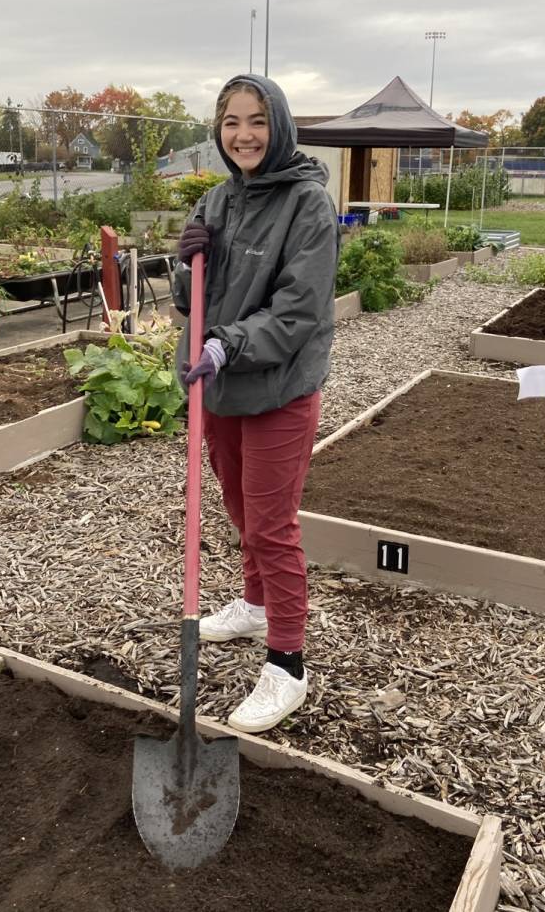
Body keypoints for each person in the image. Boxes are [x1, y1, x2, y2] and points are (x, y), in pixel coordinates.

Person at [173, 74, 339, 734]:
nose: (242, 134)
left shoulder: (309, 205)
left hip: (277, 390)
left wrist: (225, 346)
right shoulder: (216, 201)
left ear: (281, 126)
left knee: (273, 525)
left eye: (256, 121)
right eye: (231, 122)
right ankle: (254, 602)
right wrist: (183, 271)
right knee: (242, 507)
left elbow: (298, 311)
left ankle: (288, 663)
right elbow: (195, 302)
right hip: (222, 387)